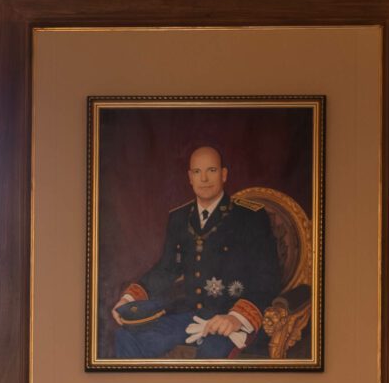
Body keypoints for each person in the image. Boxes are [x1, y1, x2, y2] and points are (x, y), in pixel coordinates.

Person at [110, 144, 280, 360]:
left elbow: (267, 279)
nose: (204, 179)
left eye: (212, 170)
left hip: (230, 318)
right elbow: (166, 269)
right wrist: (129, 298)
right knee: (127, 337)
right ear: (190, 177)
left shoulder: (250, 217)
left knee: (211, 353)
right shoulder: (179, 218)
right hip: (189, 315)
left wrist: (236, 317)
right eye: (197, 172)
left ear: (224, 174)